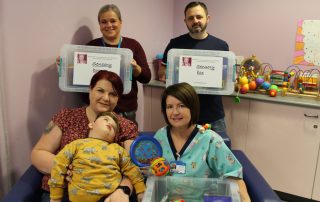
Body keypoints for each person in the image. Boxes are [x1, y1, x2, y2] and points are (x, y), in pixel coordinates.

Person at [31, 70, 138, 202]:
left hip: (106, 196)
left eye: (113, 94)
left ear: (118, 99)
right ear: (90, 90)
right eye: (100, 91)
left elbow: (133, 167)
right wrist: (64, 168)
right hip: (60, 193)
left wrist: (123, 190)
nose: (106, 98)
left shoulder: (126, 126)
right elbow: (38, 153)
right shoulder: (66, 117)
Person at [154, 82, 250, 201]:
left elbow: (234, 176)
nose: (175, 112)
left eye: (181, 105)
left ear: (192, 107)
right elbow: (151, 173)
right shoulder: (160, 137)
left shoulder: (210, 140)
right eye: (169, 107)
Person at [57, 4, 151, 123]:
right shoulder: (91, 46)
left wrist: (136, 68)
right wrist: (65, 65)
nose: (109, 25)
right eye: (104, 22)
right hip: (94, 111)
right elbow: (78, 79)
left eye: (113, 21)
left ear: (120, 22)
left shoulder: (133, 46)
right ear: (100, 25)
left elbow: (147, 78)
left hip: (124, 111)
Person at [158, 1, 228, 133]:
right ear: (185, 21)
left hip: (212, 116)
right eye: (190, 18)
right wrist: (168, 75)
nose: (195, 21)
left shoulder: (221, 46)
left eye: (199, 17)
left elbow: (225, 79)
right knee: (182, 152)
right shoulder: (175, 44)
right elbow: (162, 72)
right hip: (181, 114)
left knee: (218, 152)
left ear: (208, 18)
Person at [49, 111, 145, 202]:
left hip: (110, 198)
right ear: (91, 124)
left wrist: (141, 191)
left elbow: (132, 169)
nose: (110, 123)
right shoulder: (76, 145)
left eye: (115, 128)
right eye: (106, 119)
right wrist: (55, 197)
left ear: (114, 137)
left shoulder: (117, 149)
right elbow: (58, 165)